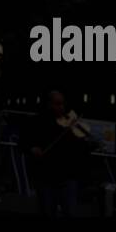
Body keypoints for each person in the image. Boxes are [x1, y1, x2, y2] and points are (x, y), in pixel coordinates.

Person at [25, 89, 91, 218]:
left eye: (63, 104)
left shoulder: (70, 124)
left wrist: (85, 142)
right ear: (49, 104)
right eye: (57, 104)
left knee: (70, 212)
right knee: (47, 211)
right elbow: (24, 142)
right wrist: (32, 149)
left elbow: (81, 149)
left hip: (68, 176)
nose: (62, 107)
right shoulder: (37, 121)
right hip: (46, 176)